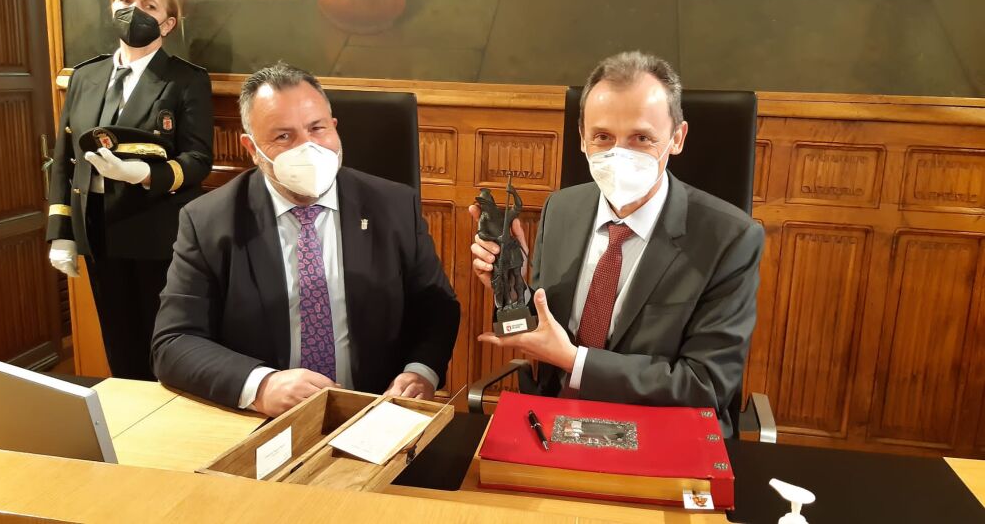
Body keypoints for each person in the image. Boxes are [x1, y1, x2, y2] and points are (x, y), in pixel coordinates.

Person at [470, 51, 763, 436]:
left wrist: (577, 362)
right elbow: (542, 332)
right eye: (603, 137)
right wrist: (509, 282)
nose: (619, 154)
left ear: (677, 138)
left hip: (663, 435)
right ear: (581, 139)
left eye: (641, 138)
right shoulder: (562, 209)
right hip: (556, 426)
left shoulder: (731, 238)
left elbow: (705, 386)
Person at [151, 62, 460, 417]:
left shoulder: (393, 205)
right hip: (264, 420)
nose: (308, 147)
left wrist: (420, 372)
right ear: (252, 148)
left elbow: (437, 307)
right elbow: (173, 343)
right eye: (284, 136)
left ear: (335, 128)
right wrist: (260, 385)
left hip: (376, 413)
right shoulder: (209, 221)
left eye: (317, 128)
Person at [46, 0, 214, 380]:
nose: (133, 10)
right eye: (125, 0)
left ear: (167, 23)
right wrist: (61, 234)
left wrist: (141, 173)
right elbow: (64, 156)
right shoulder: (85, 76)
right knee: (118, 346)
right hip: (98, 229)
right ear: (112, 6)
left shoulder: (185, 80)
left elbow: (198, 160)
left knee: (163, 346)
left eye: (148, 5)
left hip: (155, 230)